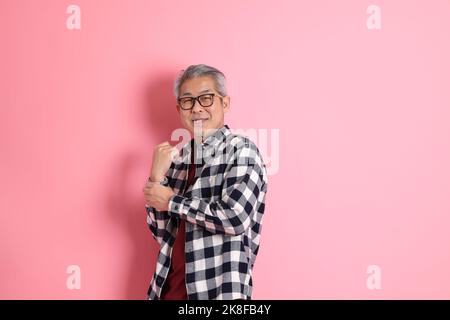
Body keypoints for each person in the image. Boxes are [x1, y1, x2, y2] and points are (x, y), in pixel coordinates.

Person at [143, 64, 268, 300]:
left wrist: (171, 201)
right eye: (188, 101)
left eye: (207, 98)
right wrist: (156, 177)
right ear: (179, 108)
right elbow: (162, 233)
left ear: (225, 103)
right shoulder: (178, 160)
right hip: (167, 292)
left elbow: (235, 218)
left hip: (217, 294)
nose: (197, 108)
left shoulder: (241, 151)